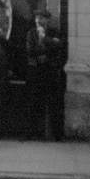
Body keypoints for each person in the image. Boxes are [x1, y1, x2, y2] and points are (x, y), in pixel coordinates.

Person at [25, 8, 64, 141]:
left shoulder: (54, 33)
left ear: (47, 20)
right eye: (37, 18)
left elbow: (58, 48)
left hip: (49, 72)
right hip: (35, 72)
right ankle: (31, 133)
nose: (38, 21)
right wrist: (44, 52)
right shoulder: (31, 33)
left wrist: (44, 38)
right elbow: (30, 50)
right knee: (33, 103)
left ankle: (57, 134)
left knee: (54, 104)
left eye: (41, 18)